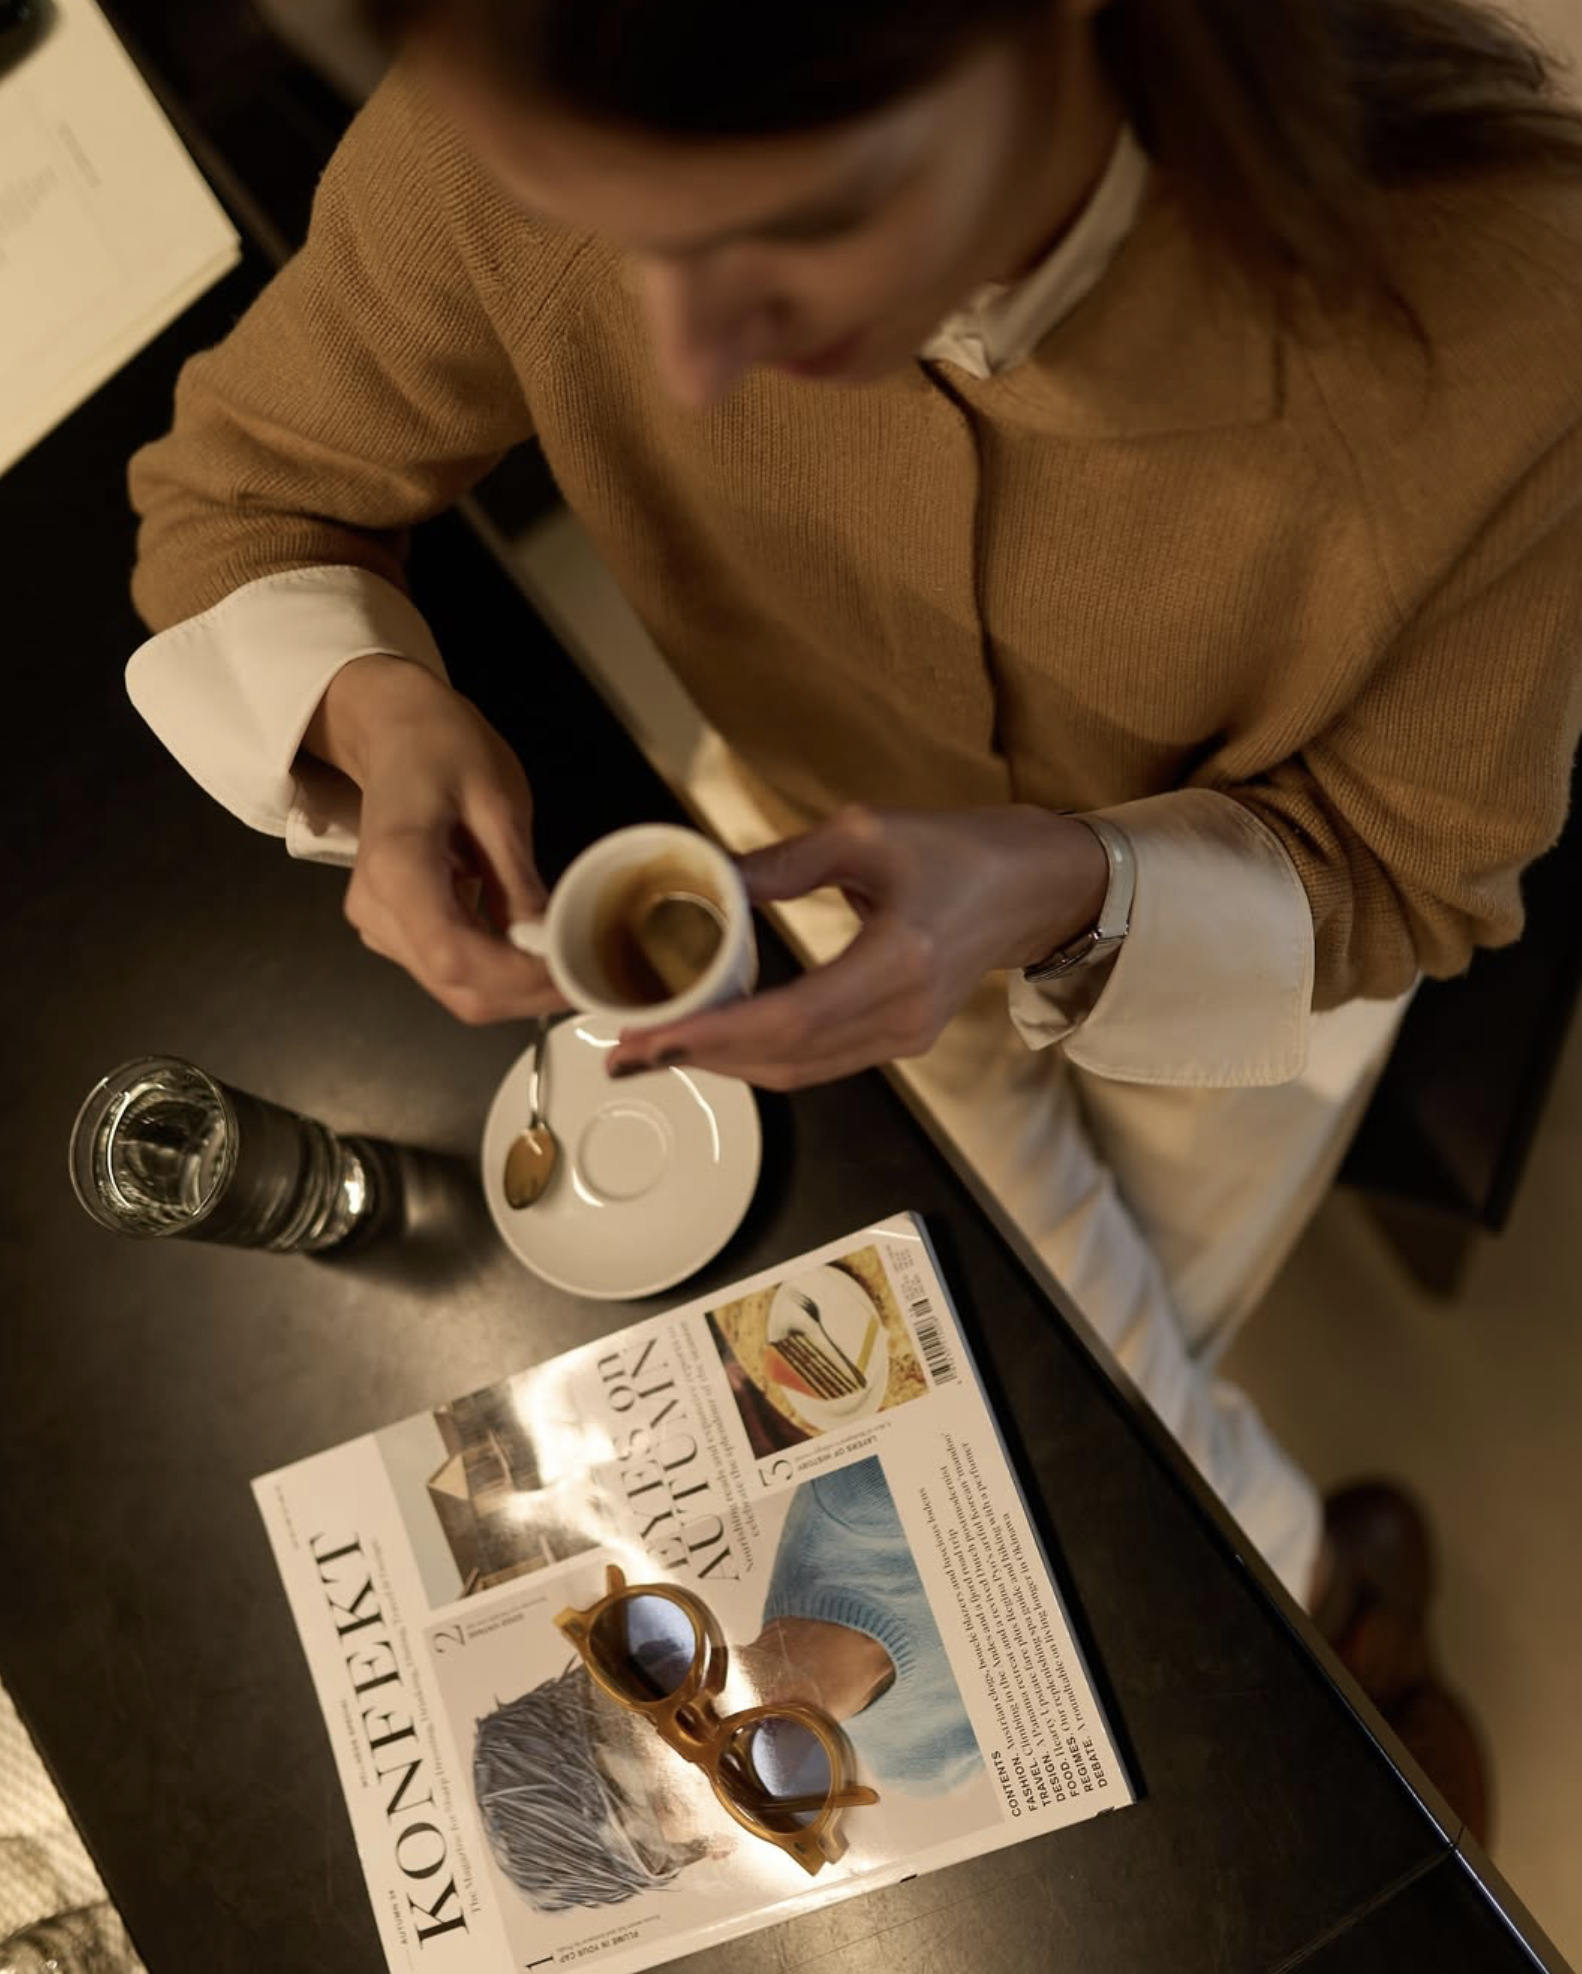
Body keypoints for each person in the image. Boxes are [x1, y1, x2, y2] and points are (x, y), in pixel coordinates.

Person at [124, 0, 1582, 1836]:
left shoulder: (1512, 312)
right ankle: (1312, 1586)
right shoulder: (529, 82)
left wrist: (1065, 881)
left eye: (777, 228)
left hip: (1231, 940)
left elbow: (1400, 863)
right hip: (807, 856)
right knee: (1021, 1366)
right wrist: (373, 708)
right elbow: (240, 493)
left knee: (1103, 1371)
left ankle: (1304, 1598)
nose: (677, 348)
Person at [473, 1460, 975, 1911]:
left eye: (638, 1726)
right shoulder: (926, 1770)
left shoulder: (861, 1503)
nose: (700, 1733)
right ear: (723, 1850)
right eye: (667, 1799)